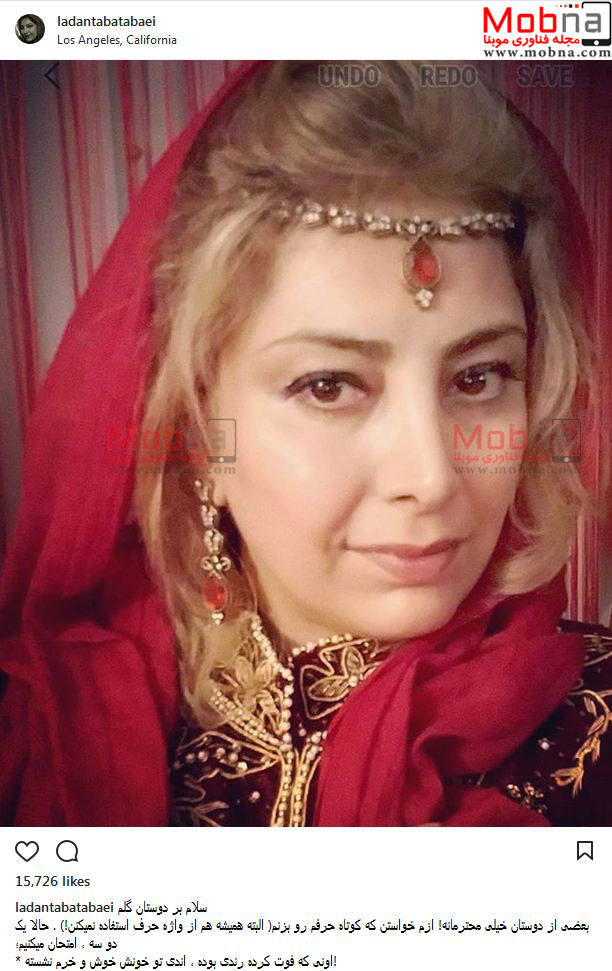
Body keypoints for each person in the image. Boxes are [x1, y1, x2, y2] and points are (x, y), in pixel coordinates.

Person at [0, 61, 610, 827]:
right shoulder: (47, 732)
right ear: (198, 430)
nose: (431, 477)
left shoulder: (594, 727)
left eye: (479, 376)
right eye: (329, 385)